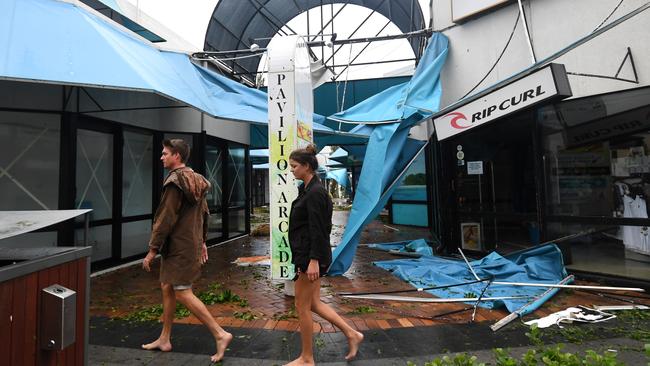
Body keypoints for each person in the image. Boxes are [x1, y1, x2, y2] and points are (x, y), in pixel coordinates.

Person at [141, 138, 232, 363]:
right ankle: (164, 338)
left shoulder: (175, 182)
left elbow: (165, 218)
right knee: (167, 286)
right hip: (186, 244)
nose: (161, 157)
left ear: (177, 156)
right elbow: (204, 213)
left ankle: (220, 334)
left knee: (182, 292)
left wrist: (153, 249)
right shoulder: (197, 180)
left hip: (179, 247)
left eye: (165, 153)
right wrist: (201, 240)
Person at [286, 145, 364, 366]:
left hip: (309, 258)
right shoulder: (308, 189)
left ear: (307, 167)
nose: (291, 170)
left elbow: (319, 229)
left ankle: (307, 358)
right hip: (308, 255)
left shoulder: (316, 193)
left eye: (294, 166)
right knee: (314, 304)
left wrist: (313, 261)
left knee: (302, 307)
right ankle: (352, 334)